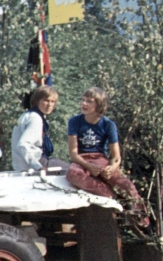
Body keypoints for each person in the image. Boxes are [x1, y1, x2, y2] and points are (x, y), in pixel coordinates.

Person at [65, 87, 149, 228]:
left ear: (99, 105)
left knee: (126, 185)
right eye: (83, 100)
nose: (84, 104)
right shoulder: (74, 121)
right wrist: (88, 166)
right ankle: (111, 196)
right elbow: (73, 153)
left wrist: (112, 168)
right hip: (82, 159)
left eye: (89, 101)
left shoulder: (108, 125)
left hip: (100, 158)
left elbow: (116, 156)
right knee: (73, 174)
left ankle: (142, 219)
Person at [11, 85, 70, 172]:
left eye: (52, 101)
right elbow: (23, 145)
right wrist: (38, 167)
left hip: (21, 164)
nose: (49, 105)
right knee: (75, 170)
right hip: (34, 164)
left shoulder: (27, 115)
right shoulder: (35, 118)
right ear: (37, 101)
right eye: (46, 101)